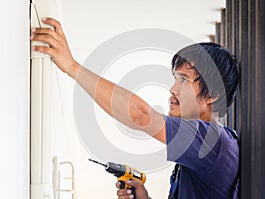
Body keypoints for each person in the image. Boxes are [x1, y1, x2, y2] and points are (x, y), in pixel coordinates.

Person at [31, 18, 240, 199]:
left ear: (213, 93)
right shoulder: (204, 148)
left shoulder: (212, 142)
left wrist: (71, 66)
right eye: (175, 79)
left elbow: (140, 116)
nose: (172, 89)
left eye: (184, 80)